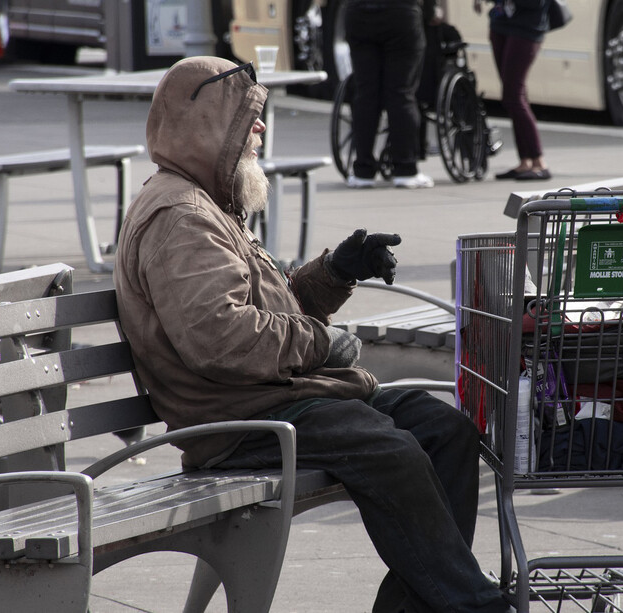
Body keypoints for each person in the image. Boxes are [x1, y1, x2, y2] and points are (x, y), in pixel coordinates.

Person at [113, 56, 513, 613]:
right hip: (235, 420)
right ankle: (475, 604)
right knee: (388, 449)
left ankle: (427, 605)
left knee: (444, 429)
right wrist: (324, 343)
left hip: (273, 396)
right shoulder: (181, 216)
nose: (260, 130)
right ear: (206, 126)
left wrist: (337, 273)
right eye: (247, 118)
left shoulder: (205, 203)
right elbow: (221, 339)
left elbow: (265, 312)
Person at [345, 0, 437, 189]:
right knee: (401, 93)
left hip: (359, 14)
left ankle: (363, 170)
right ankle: (405, 169)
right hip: (401, 13)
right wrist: (429, 12)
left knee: (366, 94)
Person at [476, 0, 553, 181]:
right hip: (501, 23)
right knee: (514, 95)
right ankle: (525, 161)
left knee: (513, 96)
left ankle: (539, 161)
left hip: (526, 27)